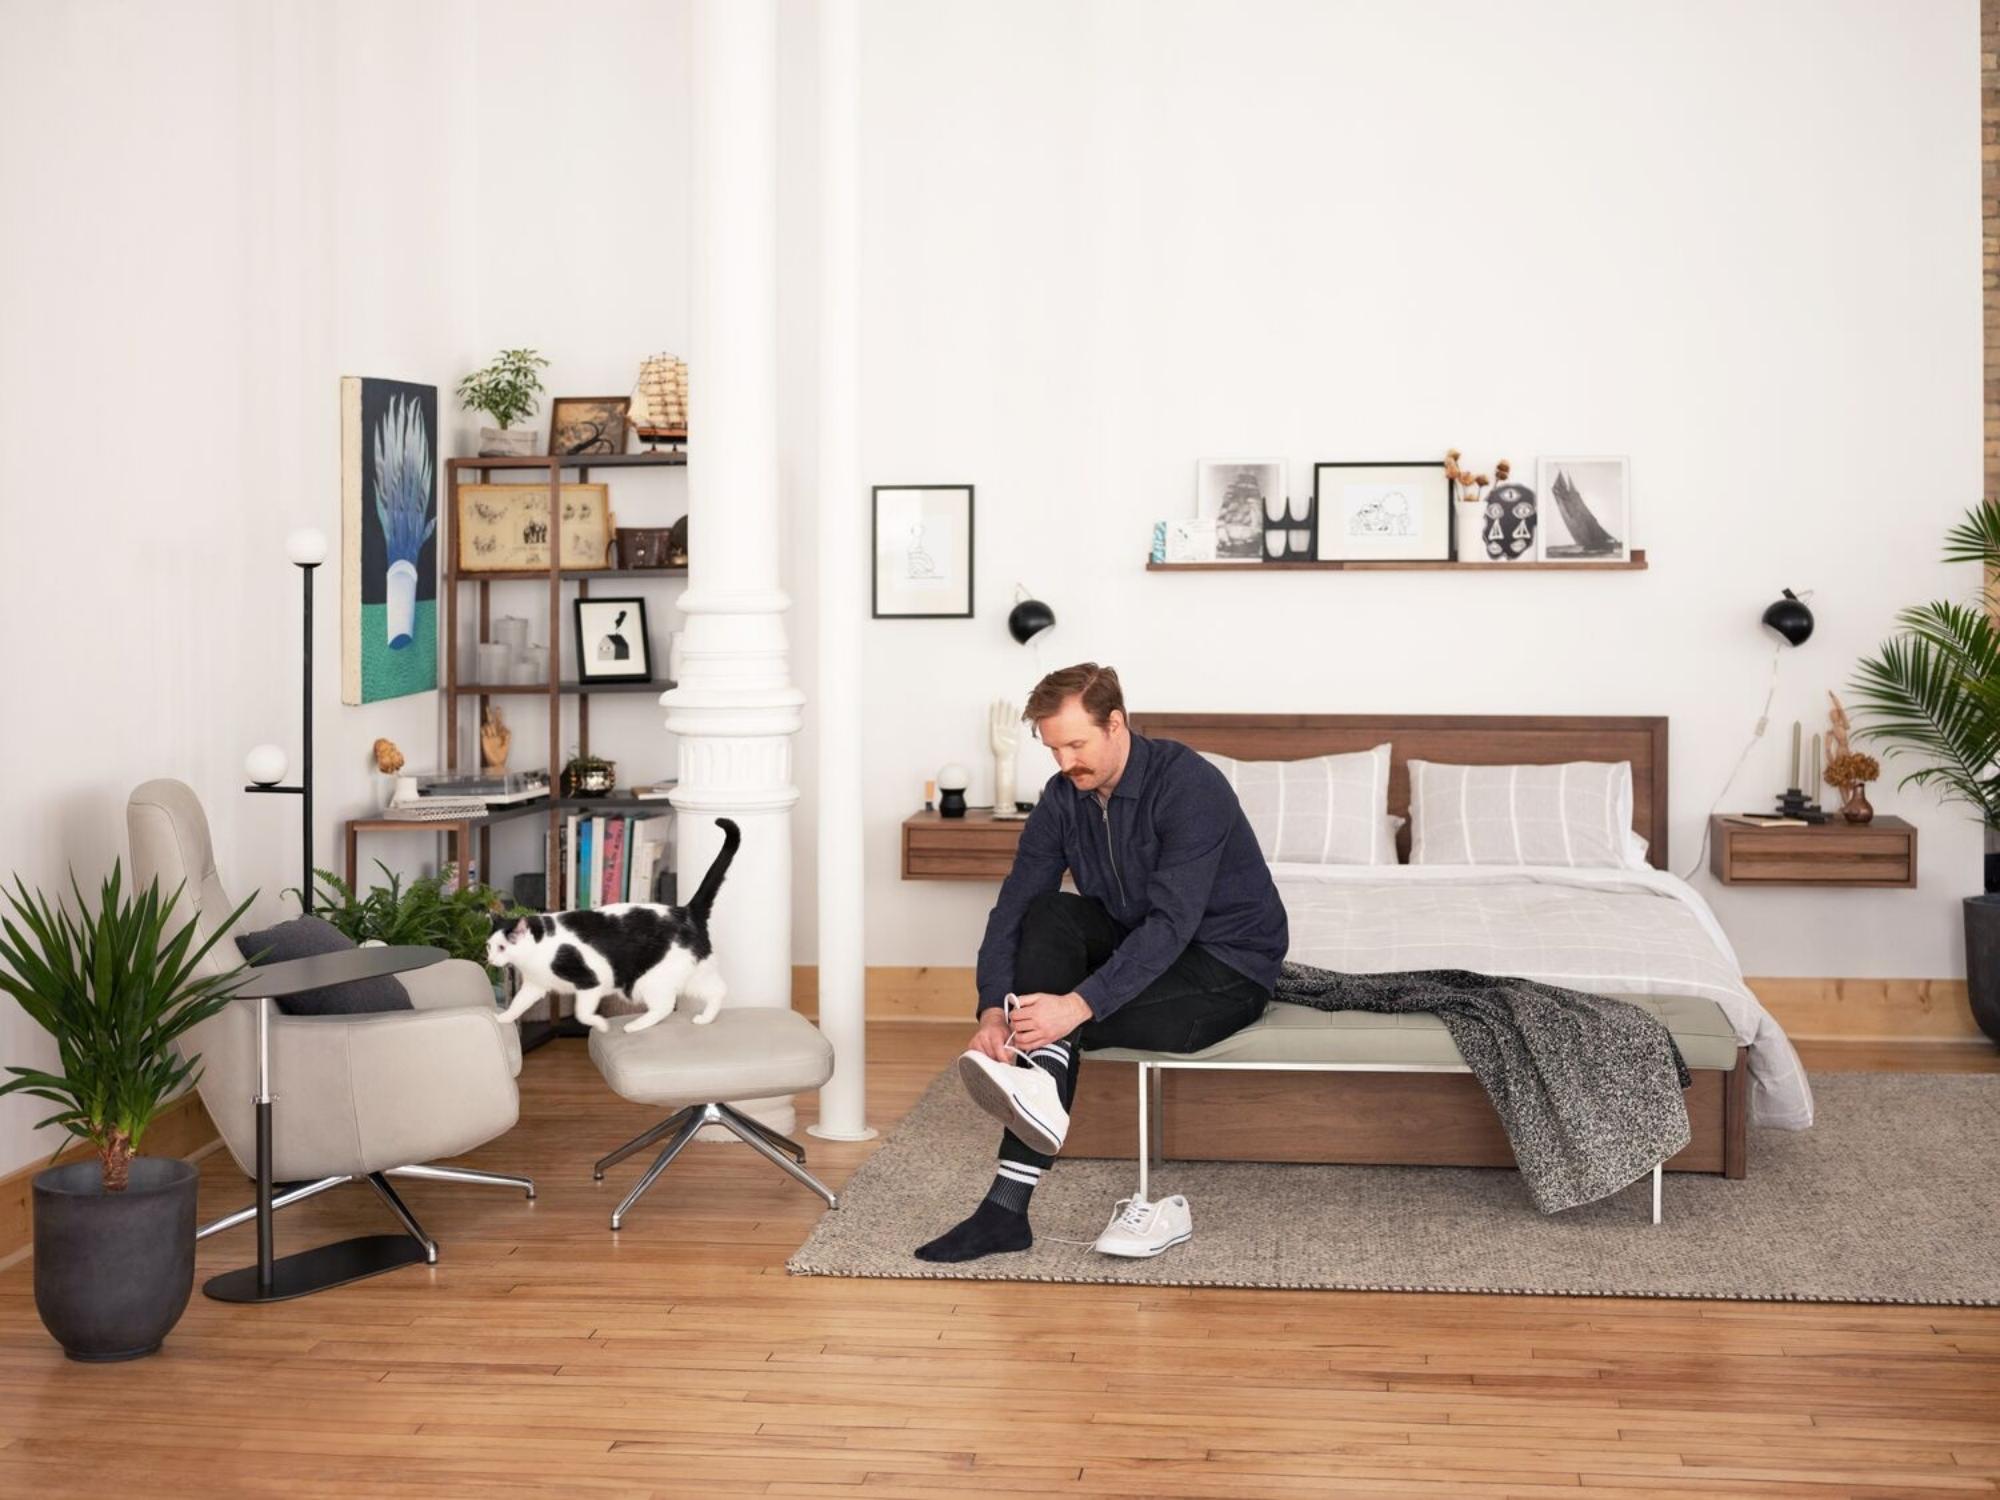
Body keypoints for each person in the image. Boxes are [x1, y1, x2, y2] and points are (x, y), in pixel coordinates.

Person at [914, 663, 1289, 1263]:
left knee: (1050, 1028)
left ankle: (1004, 1208)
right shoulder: (1065, 797)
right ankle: (1034, 1063)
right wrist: (991, 1007)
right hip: (1133, 946)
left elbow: (1172, 925)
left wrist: (1074, 1006)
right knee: (1049, 914)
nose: (1065, 764)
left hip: (1224, 967)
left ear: (1117, 723)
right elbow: (1014, 904)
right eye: (1053, 748)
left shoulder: (1190, 786)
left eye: (1076, 744)